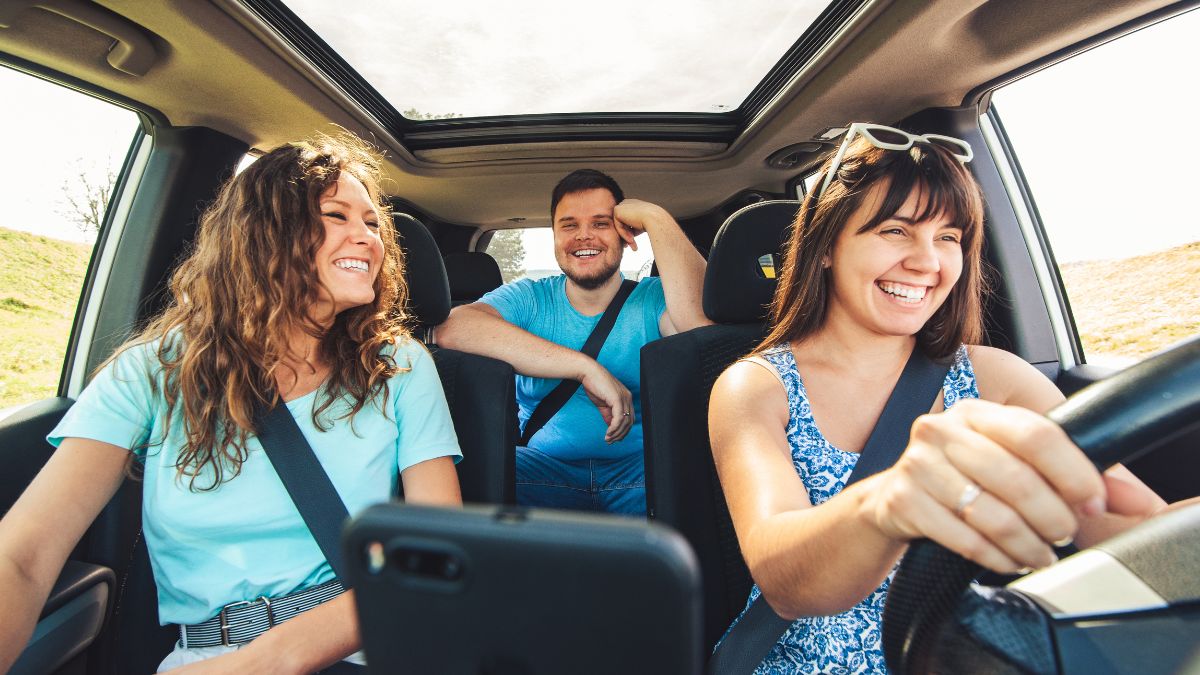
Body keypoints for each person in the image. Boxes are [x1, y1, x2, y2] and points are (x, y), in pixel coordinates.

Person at [709, 123, 1177, 673]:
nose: (927, 262)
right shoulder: (756, 386)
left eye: (949, 237)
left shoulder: (998, 379)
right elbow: (784, 578)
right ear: (827, 246)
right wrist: (888, 505)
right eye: (895, 231)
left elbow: (1141, 529)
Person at [0, 134, 463, 673]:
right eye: (337, 215)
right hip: (206, 657)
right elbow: (24, 556)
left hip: (364, 647)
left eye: (372, 223)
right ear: (265, 233)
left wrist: (268, 662)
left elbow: (435, 547)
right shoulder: (152, 371)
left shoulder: (400, 367)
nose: (367, 238)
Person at [434, 169, 709, 515]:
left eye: (600, 223)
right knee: (473, 472)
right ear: (554, 236)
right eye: (568, 225)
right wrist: (583, 368)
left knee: (704, 471)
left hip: (642, 474)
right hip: (538, 472)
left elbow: (699, 324)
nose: (583, 236)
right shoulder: (530, 298)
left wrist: (655, 217)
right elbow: (454, 328)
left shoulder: (655, 298)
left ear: (625, 234)